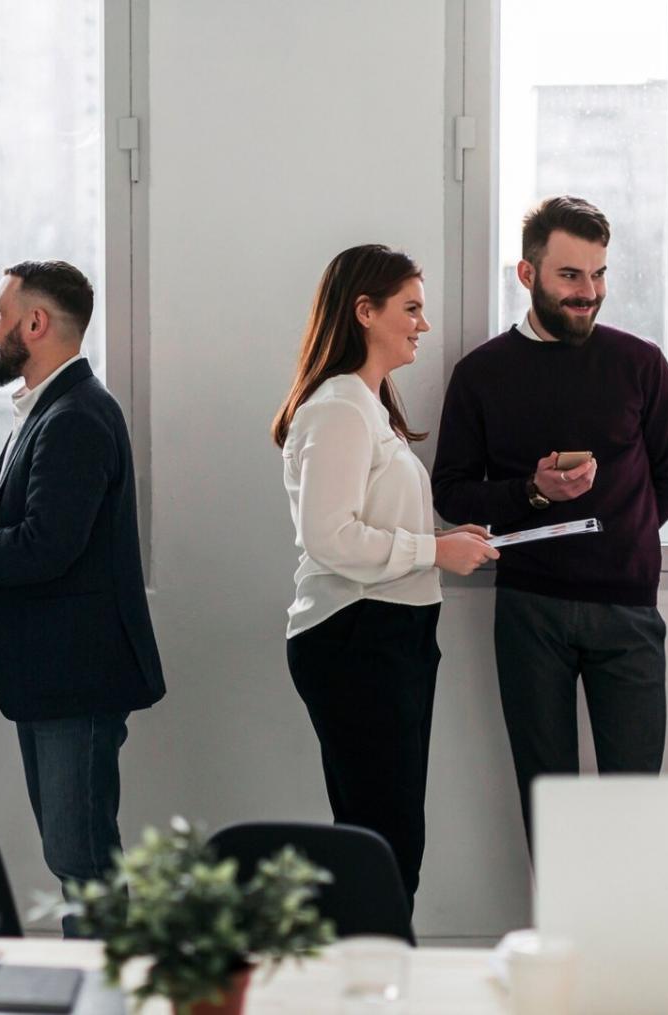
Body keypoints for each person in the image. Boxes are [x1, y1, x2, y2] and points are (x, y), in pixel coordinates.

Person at [431, 196, 668, 848]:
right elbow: (452, 493)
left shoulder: (640, 364)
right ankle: (560, 947)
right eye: (570, 276)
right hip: (529, 608)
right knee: (545, 799)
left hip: (628, 611)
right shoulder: (480, 373)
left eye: (599, 274)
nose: (588, 292)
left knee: (635, 803)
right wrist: (533, 492)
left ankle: (626, 945)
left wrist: (624, 533)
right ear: (528, 275)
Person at [0, 260, 164, 931]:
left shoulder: (75, 415)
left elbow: (46, 546)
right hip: (55, 675)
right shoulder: (54, 406)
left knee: (82, 858)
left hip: (75, 677)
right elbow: (37, 518)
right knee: (75, 857)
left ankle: (106, 998)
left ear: (36, 323)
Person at [272, 244, 496, 910]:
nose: (422, 325)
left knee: (391, 836)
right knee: (384, 838)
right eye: (410, 309)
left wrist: (443, 541)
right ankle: (374, 982)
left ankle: (375, 974)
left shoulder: (367, 405)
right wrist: (433, 551)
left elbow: (367, 523)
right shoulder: (340, 407)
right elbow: (329, 537)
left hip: (387, 631)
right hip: (357, 634)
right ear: (363, 311)